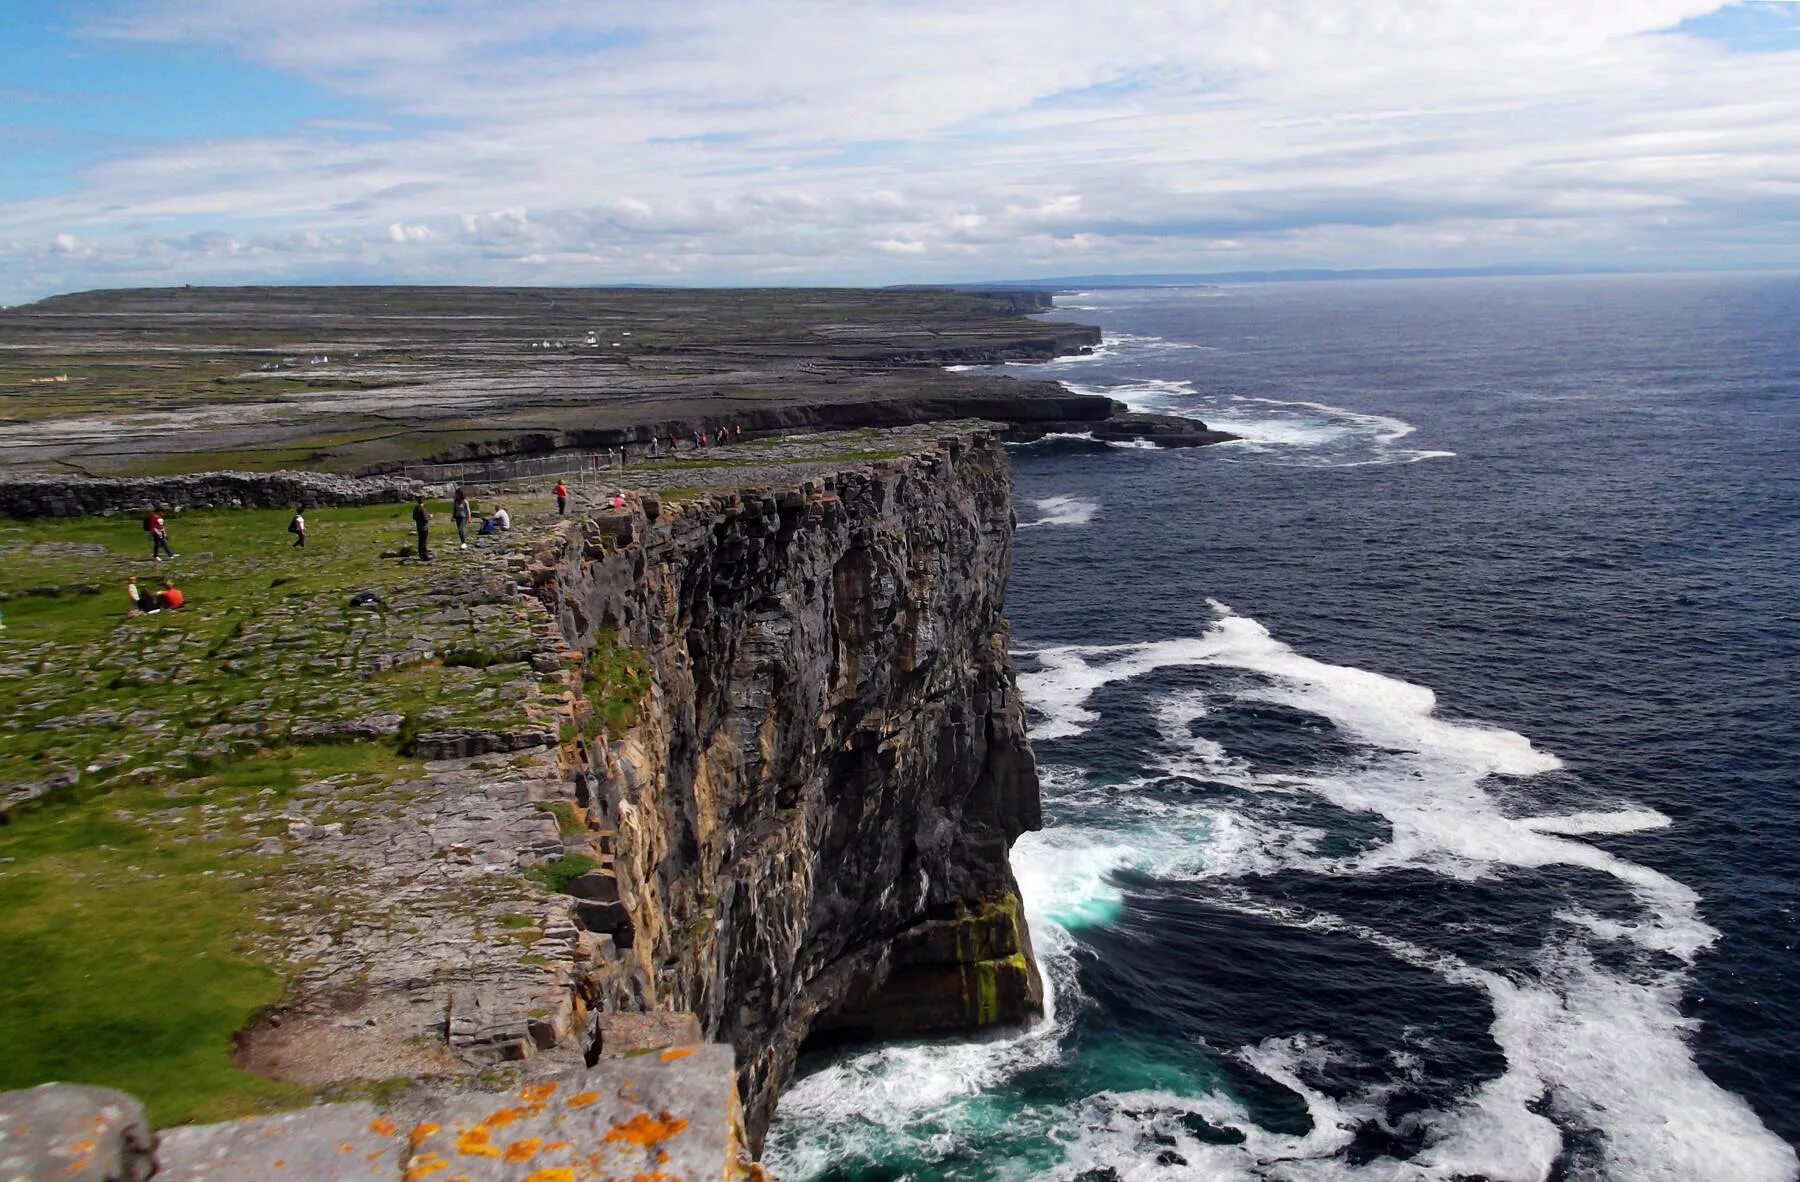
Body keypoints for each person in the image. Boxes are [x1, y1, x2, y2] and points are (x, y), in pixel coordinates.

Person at [412, 495, 431, 561]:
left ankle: (420, 554)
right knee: (424, 541)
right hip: (424, 527)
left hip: (418, 526)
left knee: (420, 541)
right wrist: (429, 517)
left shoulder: (415, 508)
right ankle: (425, 556)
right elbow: (425, 519)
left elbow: (414, 517)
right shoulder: (423, 509)